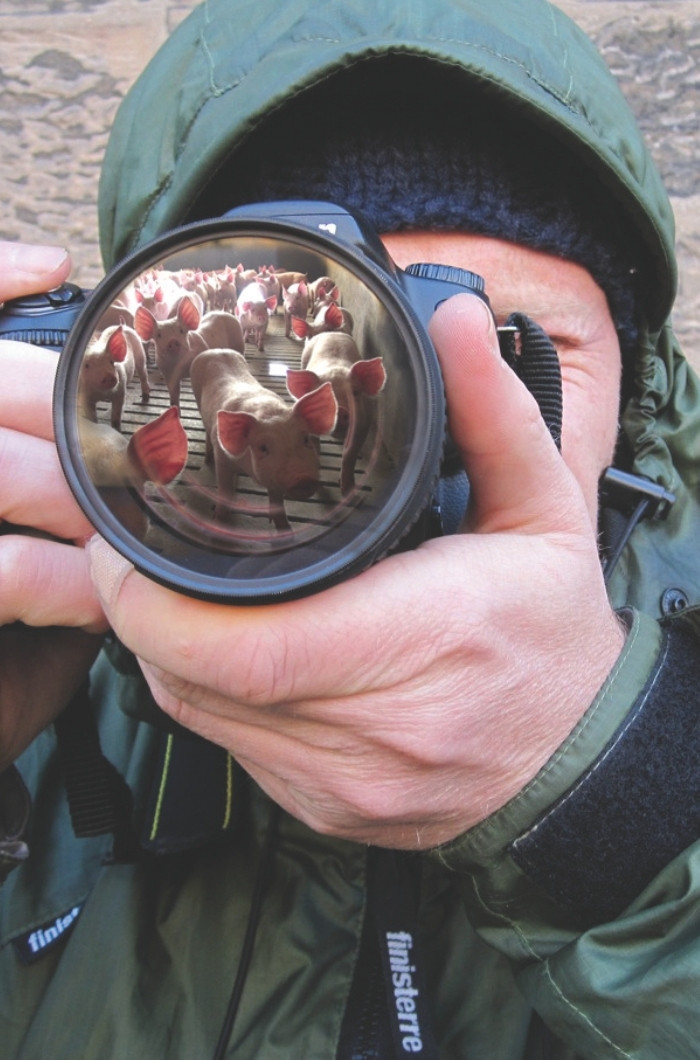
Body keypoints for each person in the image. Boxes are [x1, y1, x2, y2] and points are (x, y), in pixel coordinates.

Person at [1, 0, 700, 1056]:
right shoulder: (52, 626)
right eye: (299, 340)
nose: (405, 434)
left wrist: (613, 796)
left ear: (636, 386)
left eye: (513, 347)